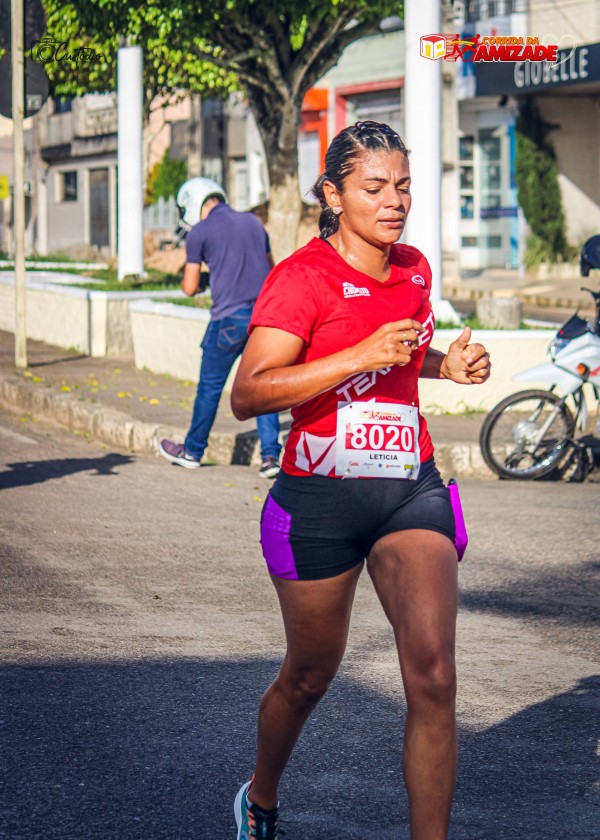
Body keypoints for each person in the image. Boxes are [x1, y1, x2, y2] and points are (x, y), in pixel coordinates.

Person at [230, 121, 491, 840]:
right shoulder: (301, 280)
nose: (395, 201)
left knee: (435, 675)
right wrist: (357, 354)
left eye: (403, 186)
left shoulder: (412, 270)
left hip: (409, 487)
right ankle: (261, 794)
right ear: (333, 194)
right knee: (311, 674)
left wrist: (443, 365)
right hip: (317, 499)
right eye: (375, 188)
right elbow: (250, 392)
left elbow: (398, 357)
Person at [158, 177, 282, 479]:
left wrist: (203, 281)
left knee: (209, 389)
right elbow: (272, 269)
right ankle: (270, 458)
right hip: (262, 318)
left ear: (192, 203)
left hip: (227, 320)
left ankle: (193, 451)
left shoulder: (199, 232)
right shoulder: (254, 223)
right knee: (263, 387)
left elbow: (188, 287)